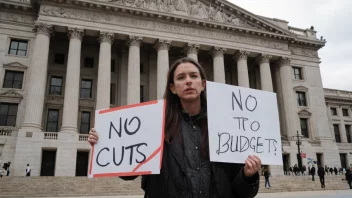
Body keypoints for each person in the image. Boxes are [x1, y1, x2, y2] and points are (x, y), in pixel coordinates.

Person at [88, 57, 261, 197]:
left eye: (193, 76)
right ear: (172, 88)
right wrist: (106, 143)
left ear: (203, 84)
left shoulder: (227, 127)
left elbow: (241, 191)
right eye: (181, 78)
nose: (188, 81)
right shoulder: (154, 125)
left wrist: (248, 175)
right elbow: (129, 173)